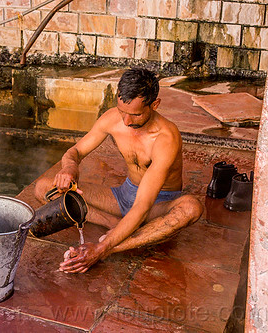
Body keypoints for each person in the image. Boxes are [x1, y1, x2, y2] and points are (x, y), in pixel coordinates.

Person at [34, 68, 203, 274]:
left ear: (155, 104)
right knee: (44, 187)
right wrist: (69, 168)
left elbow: (143, 205)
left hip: (158, 204)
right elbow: (76, 150)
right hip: (123, 195)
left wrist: (100, 249)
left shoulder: (166, 137)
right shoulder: (113, 118)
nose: (126, 121)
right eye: (122, 111)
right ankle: (115, 224)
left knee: (191, 208)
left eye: (136, 114)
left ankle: (113, 246)